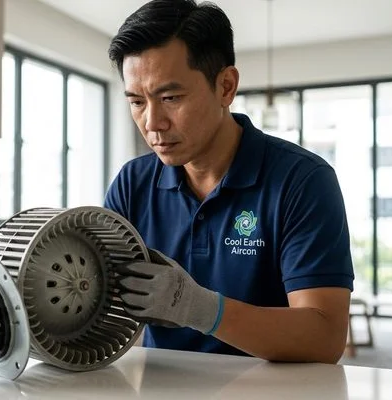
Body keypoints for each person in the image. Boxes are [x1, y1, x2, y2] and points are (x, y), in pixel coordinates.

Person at [104, 0, 354, 363]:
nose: (152, 123)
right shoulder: (133, 182)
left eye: (170, 97)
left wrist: (201, 308)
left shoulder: (303, 181)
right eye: (137, 102)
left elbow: (325, 337)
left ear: (225, 86)